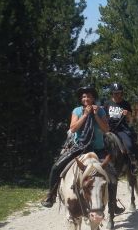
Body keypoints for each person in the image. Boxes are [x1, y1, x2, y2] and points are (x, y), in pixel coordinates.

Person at [41, 86, 124, 214]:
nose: (86, 99)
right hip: (79, 148)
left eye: (89, 96)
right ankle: (51, 195)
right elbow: (73, 128)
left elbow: (106, 129)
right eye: (84, 96)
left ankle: (113, 204)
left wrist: (95, 115)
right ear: (81, 99)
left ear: (93, 98)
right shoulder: (77, 111)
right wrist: (85, 115)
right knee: (56, 167)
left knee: (112, 175)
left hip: (97, 149)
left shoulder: (101, 110)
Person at [103, 82, 138, 175]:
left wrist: (128, 114)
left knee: (129, 144)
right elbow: (103, 116)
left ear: (121, 93)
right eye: (115, 93)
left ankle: (133, 164)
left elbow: (132, 119)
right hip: (108, 128)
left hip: (121, 128)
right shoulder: (107, 103)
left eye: (119, 93)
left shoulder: (125, 104)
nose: (117, 95)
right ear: (111, 93)